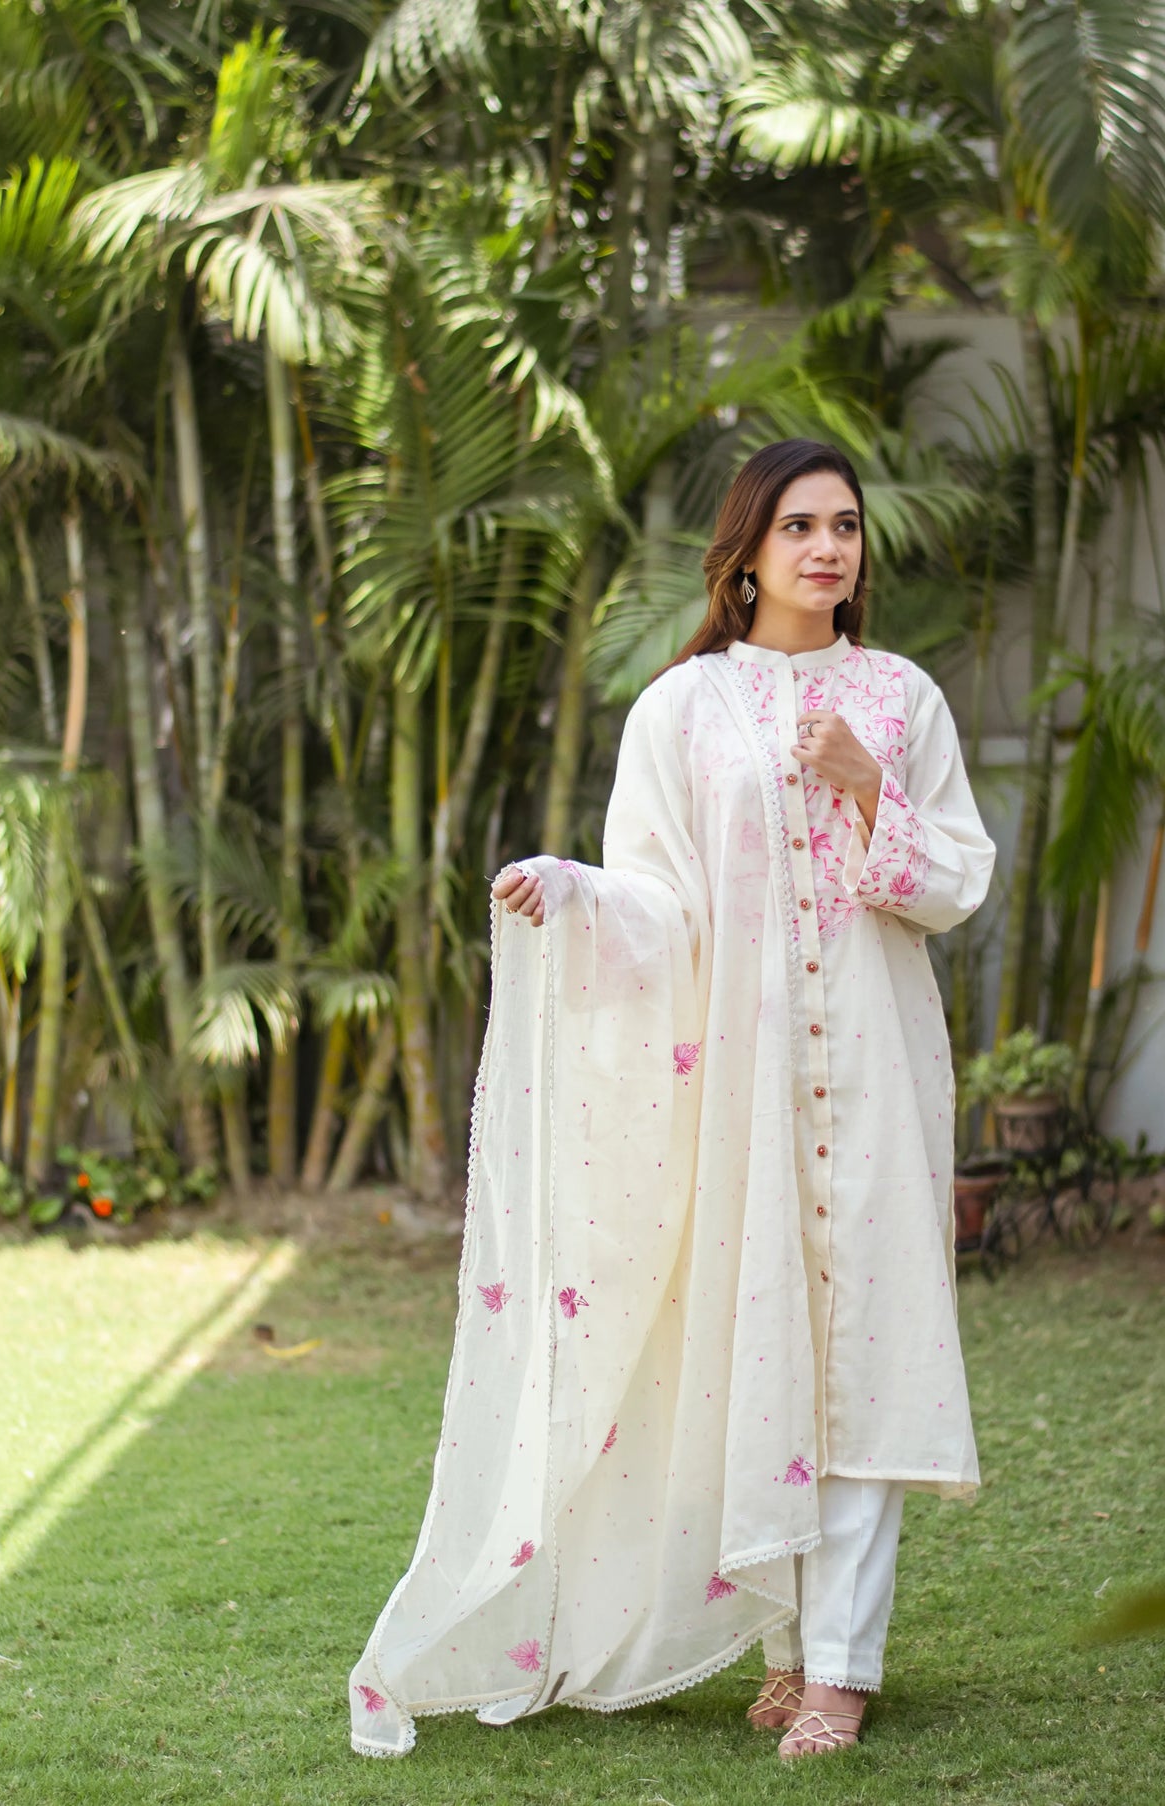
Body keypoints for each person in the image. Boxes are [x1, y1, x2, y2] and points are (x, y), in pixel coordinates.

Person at [348, 439, 996, 1763]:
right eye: (801, 525)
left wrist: (864, 778)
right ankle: (779, 1643)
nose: (829, 548)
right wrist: (569, 889)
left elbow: (952, 883)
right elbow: (660, 898)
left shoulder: (900, 697)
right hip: (744, 1082)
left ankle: (840, 1668)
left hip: (876, 1068)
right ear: (746, 549)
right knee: (759, 1348)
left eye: (846, 526)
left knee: (862, 1354)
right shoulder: (683, 709)